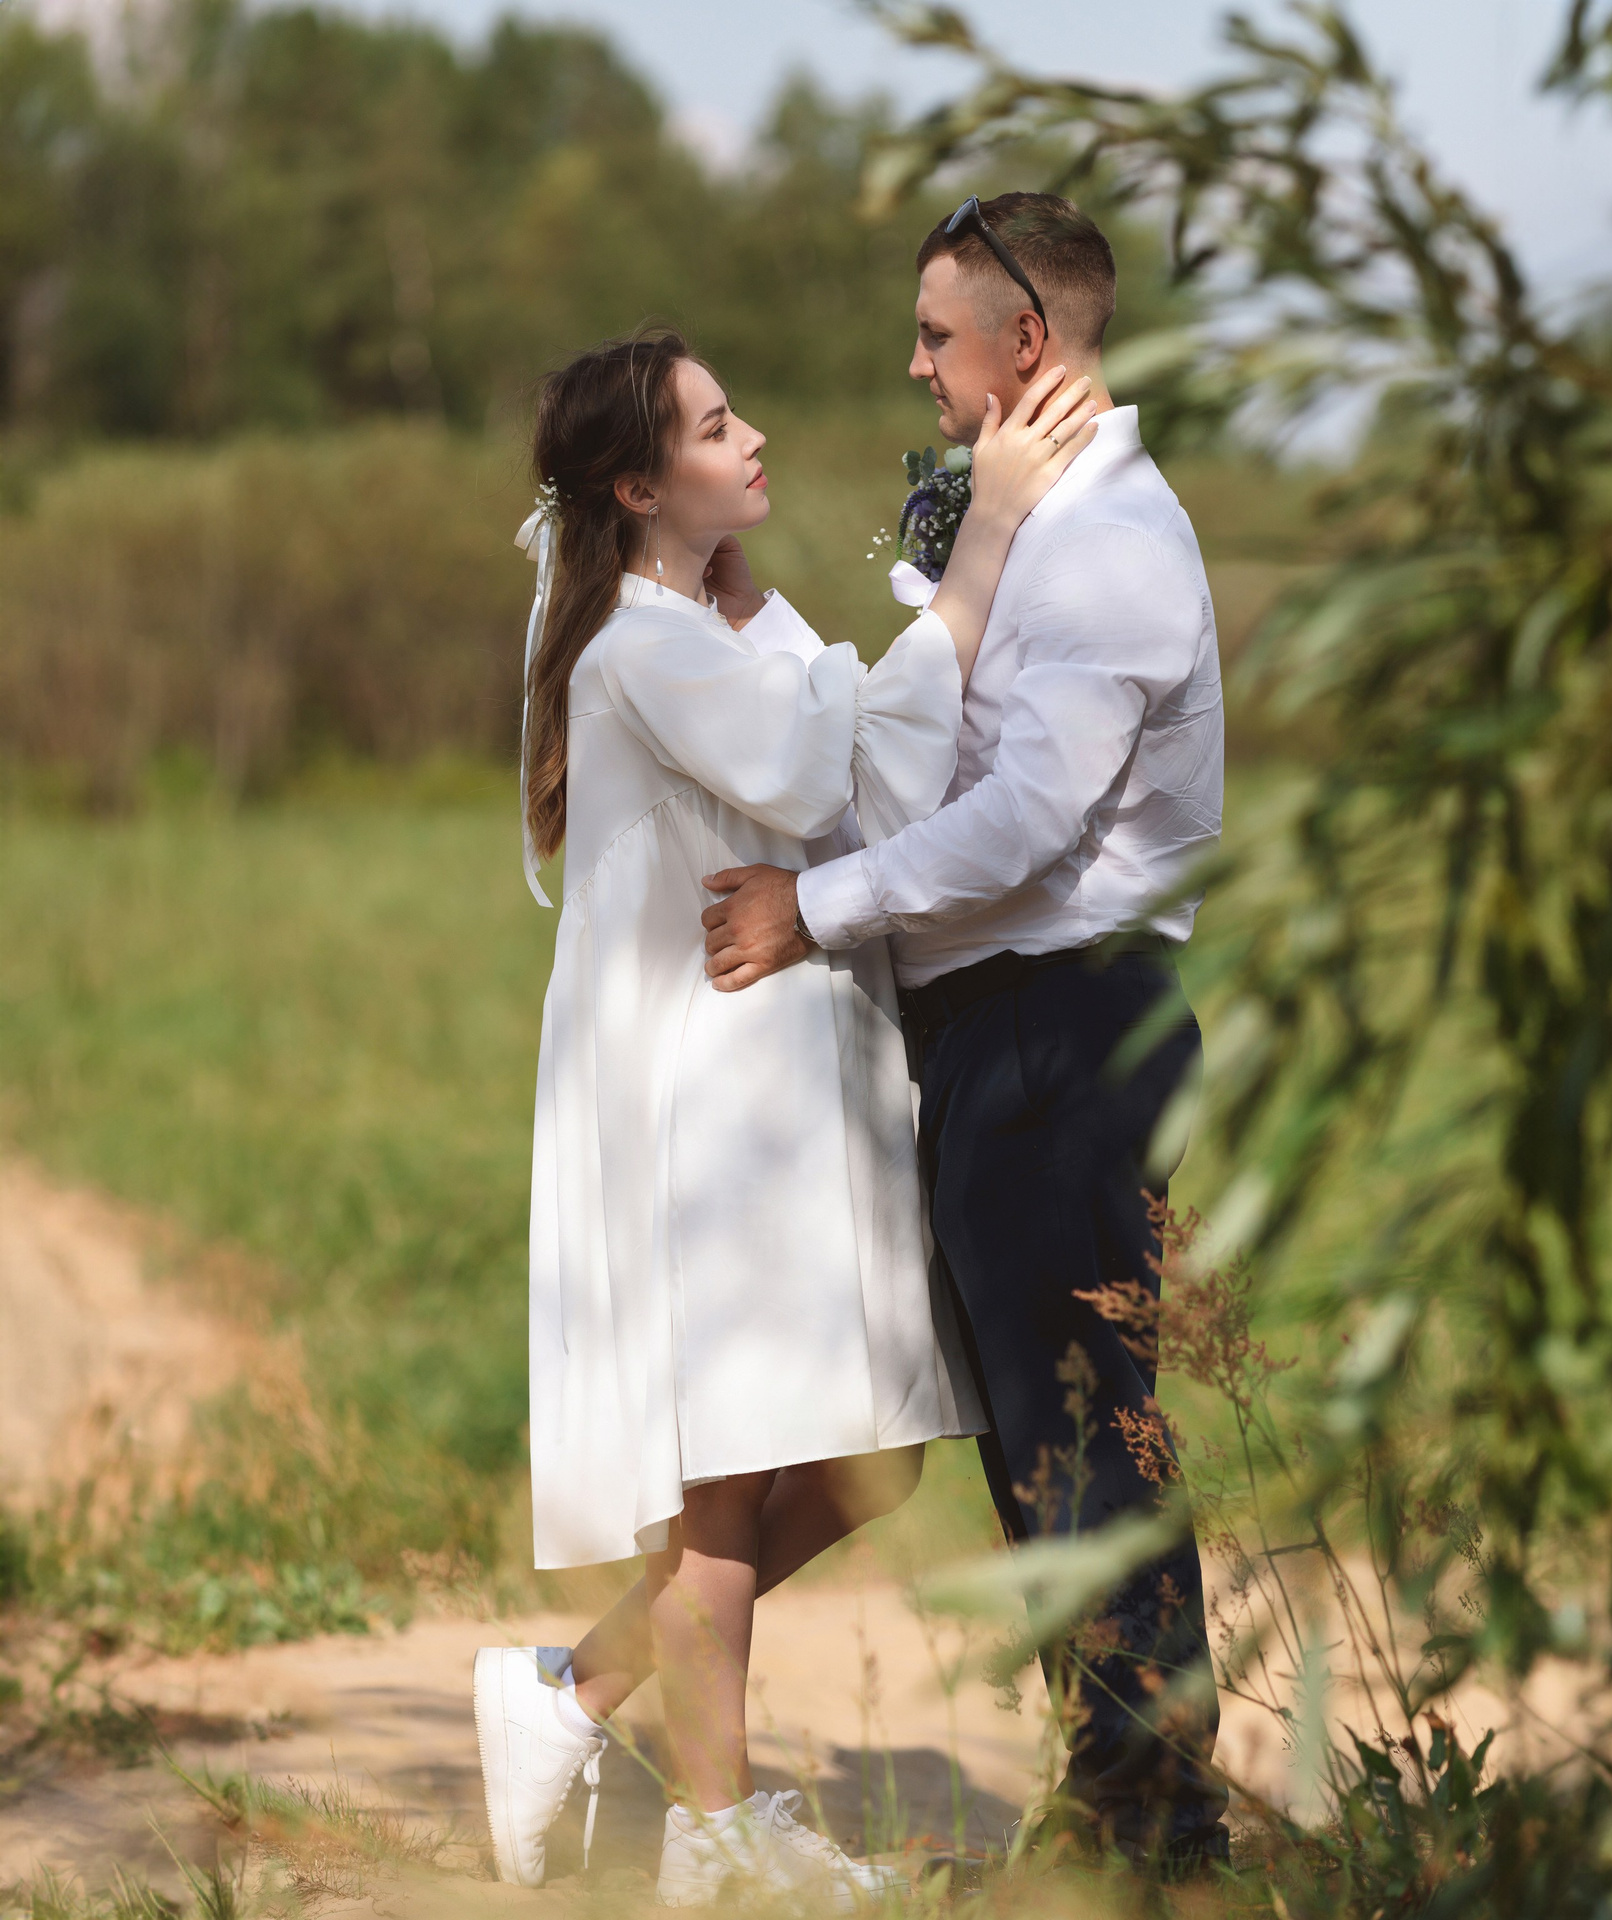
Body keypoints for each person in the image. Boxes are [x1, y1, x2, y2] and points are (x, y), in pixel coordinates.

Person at [471, 326, 1098, 1907]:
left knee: (864, 1461)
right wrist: (988, 541)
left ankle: (573, 1700)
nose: (751, 438)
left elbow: (876, 767)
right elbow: (825, 765)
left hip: (788, 1079)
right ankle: (718, 1837)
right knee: (735, 1483)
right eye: (710, 425)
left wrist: (809, 643)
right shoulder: (638, 640)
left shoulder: (727, 614)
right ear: (636, 483)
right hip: (713, 1103)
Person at [700, 192, 1230, 1873]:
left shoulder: (1113, 548)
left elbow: (1018, 826)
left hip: (1066, 1030)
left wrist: (816, 907)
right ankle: (1125, 1808)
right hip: (1000, 1028)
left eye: (937, 334)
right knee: (1036, 1439)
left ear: (1029, 345)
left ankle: (1156, 1839)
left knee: (1083, 1436)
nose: (912, 361)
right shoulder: (1025, 520)